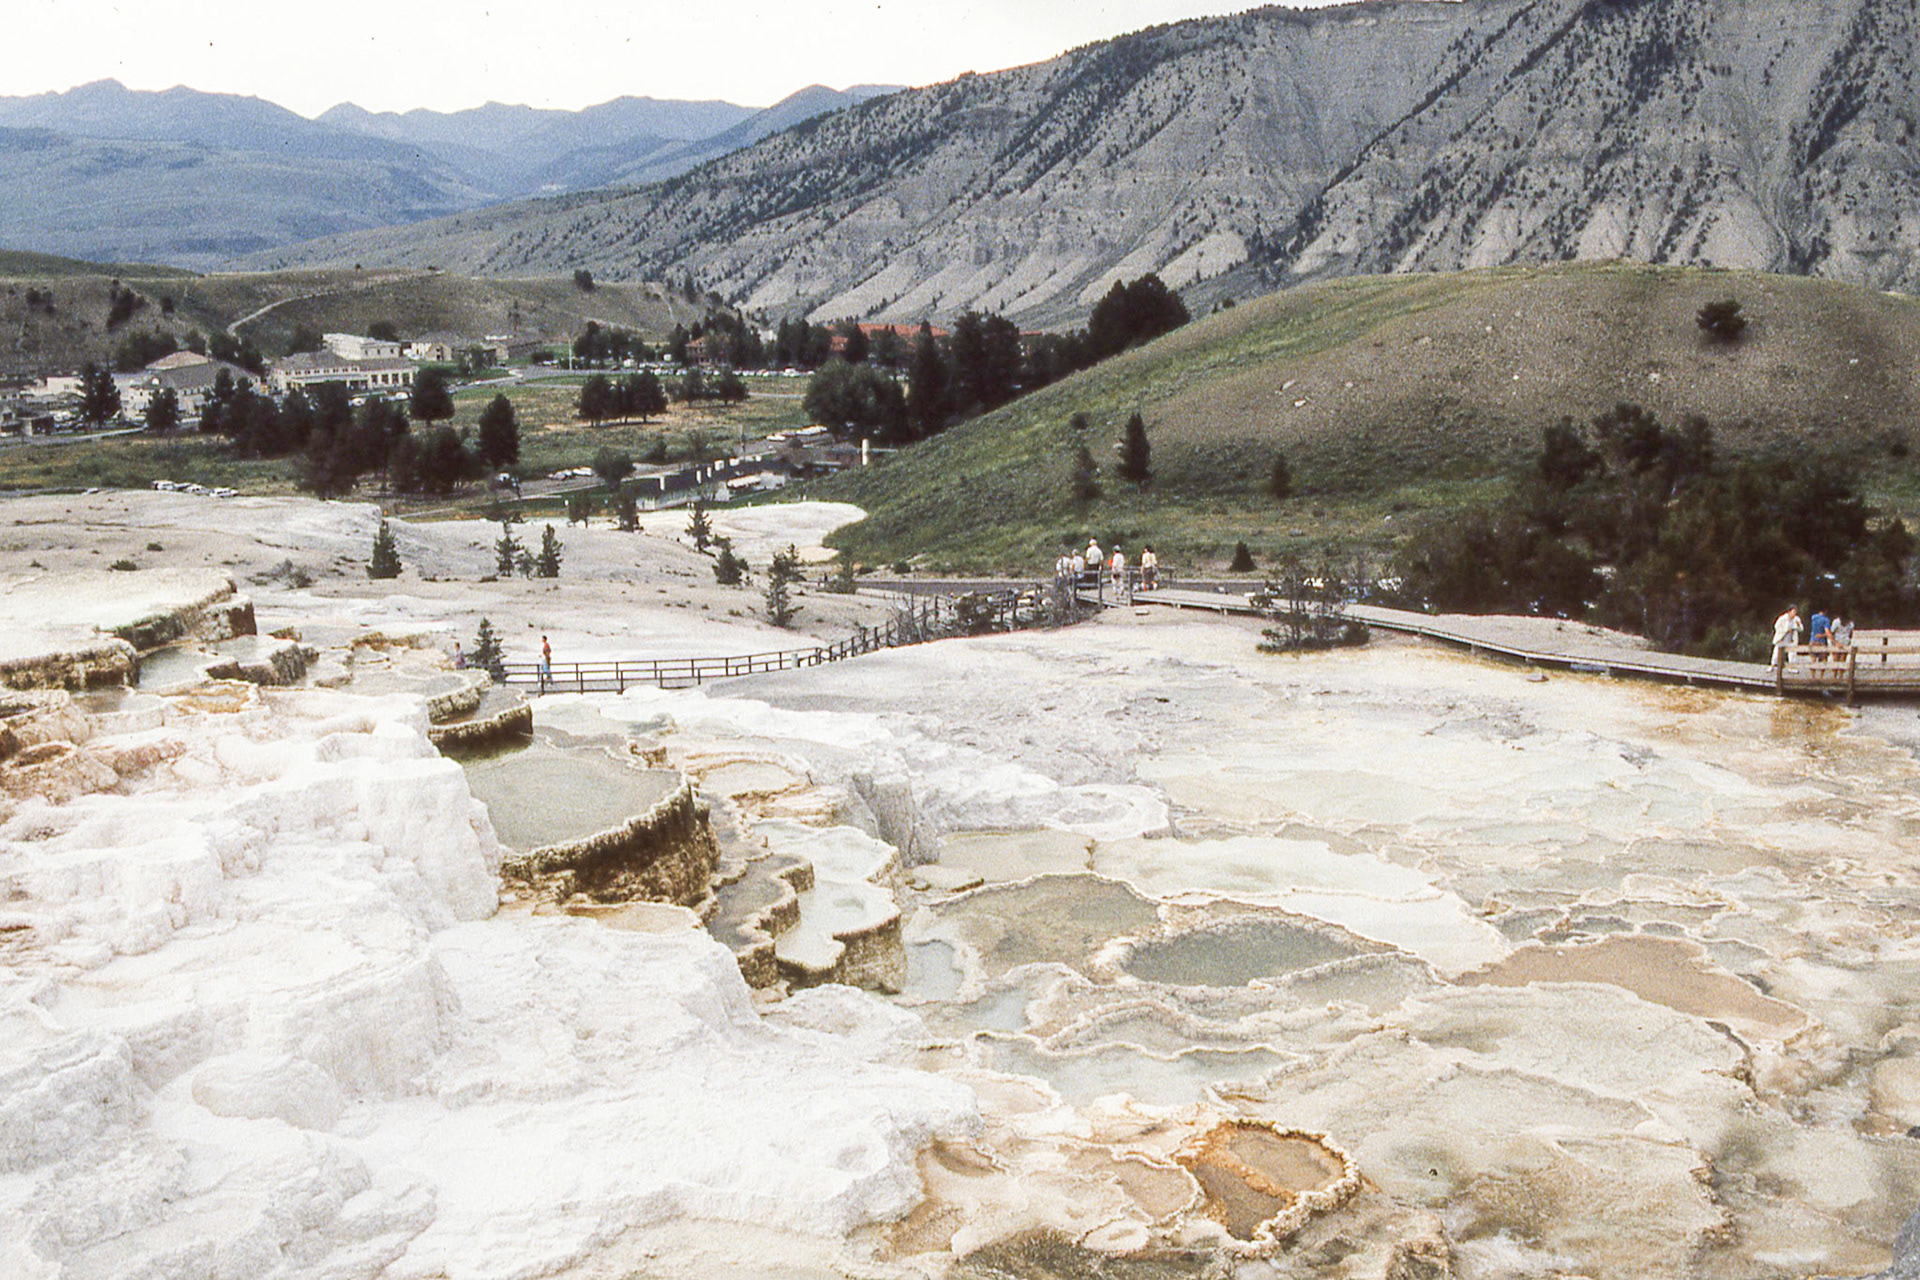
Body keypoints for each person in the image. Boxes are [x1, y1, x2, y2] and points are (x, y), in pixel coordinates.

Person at [1770, 606, 1801, 672]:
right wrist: (1785, 630)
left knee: (1792, 653)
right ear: (1789, 612)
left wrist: (1798, 625)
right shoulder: (1782, 618)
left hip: (1791, 638)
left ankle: (1791, 667)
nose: (1794, 613)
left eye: (1795, 612)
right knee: (1776, 652)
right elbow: (1776, 626)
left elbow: (1801, 629)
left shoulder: (1797, 619)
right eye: (1793, 612)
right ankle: (1772, 666)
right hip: (1782, 637)